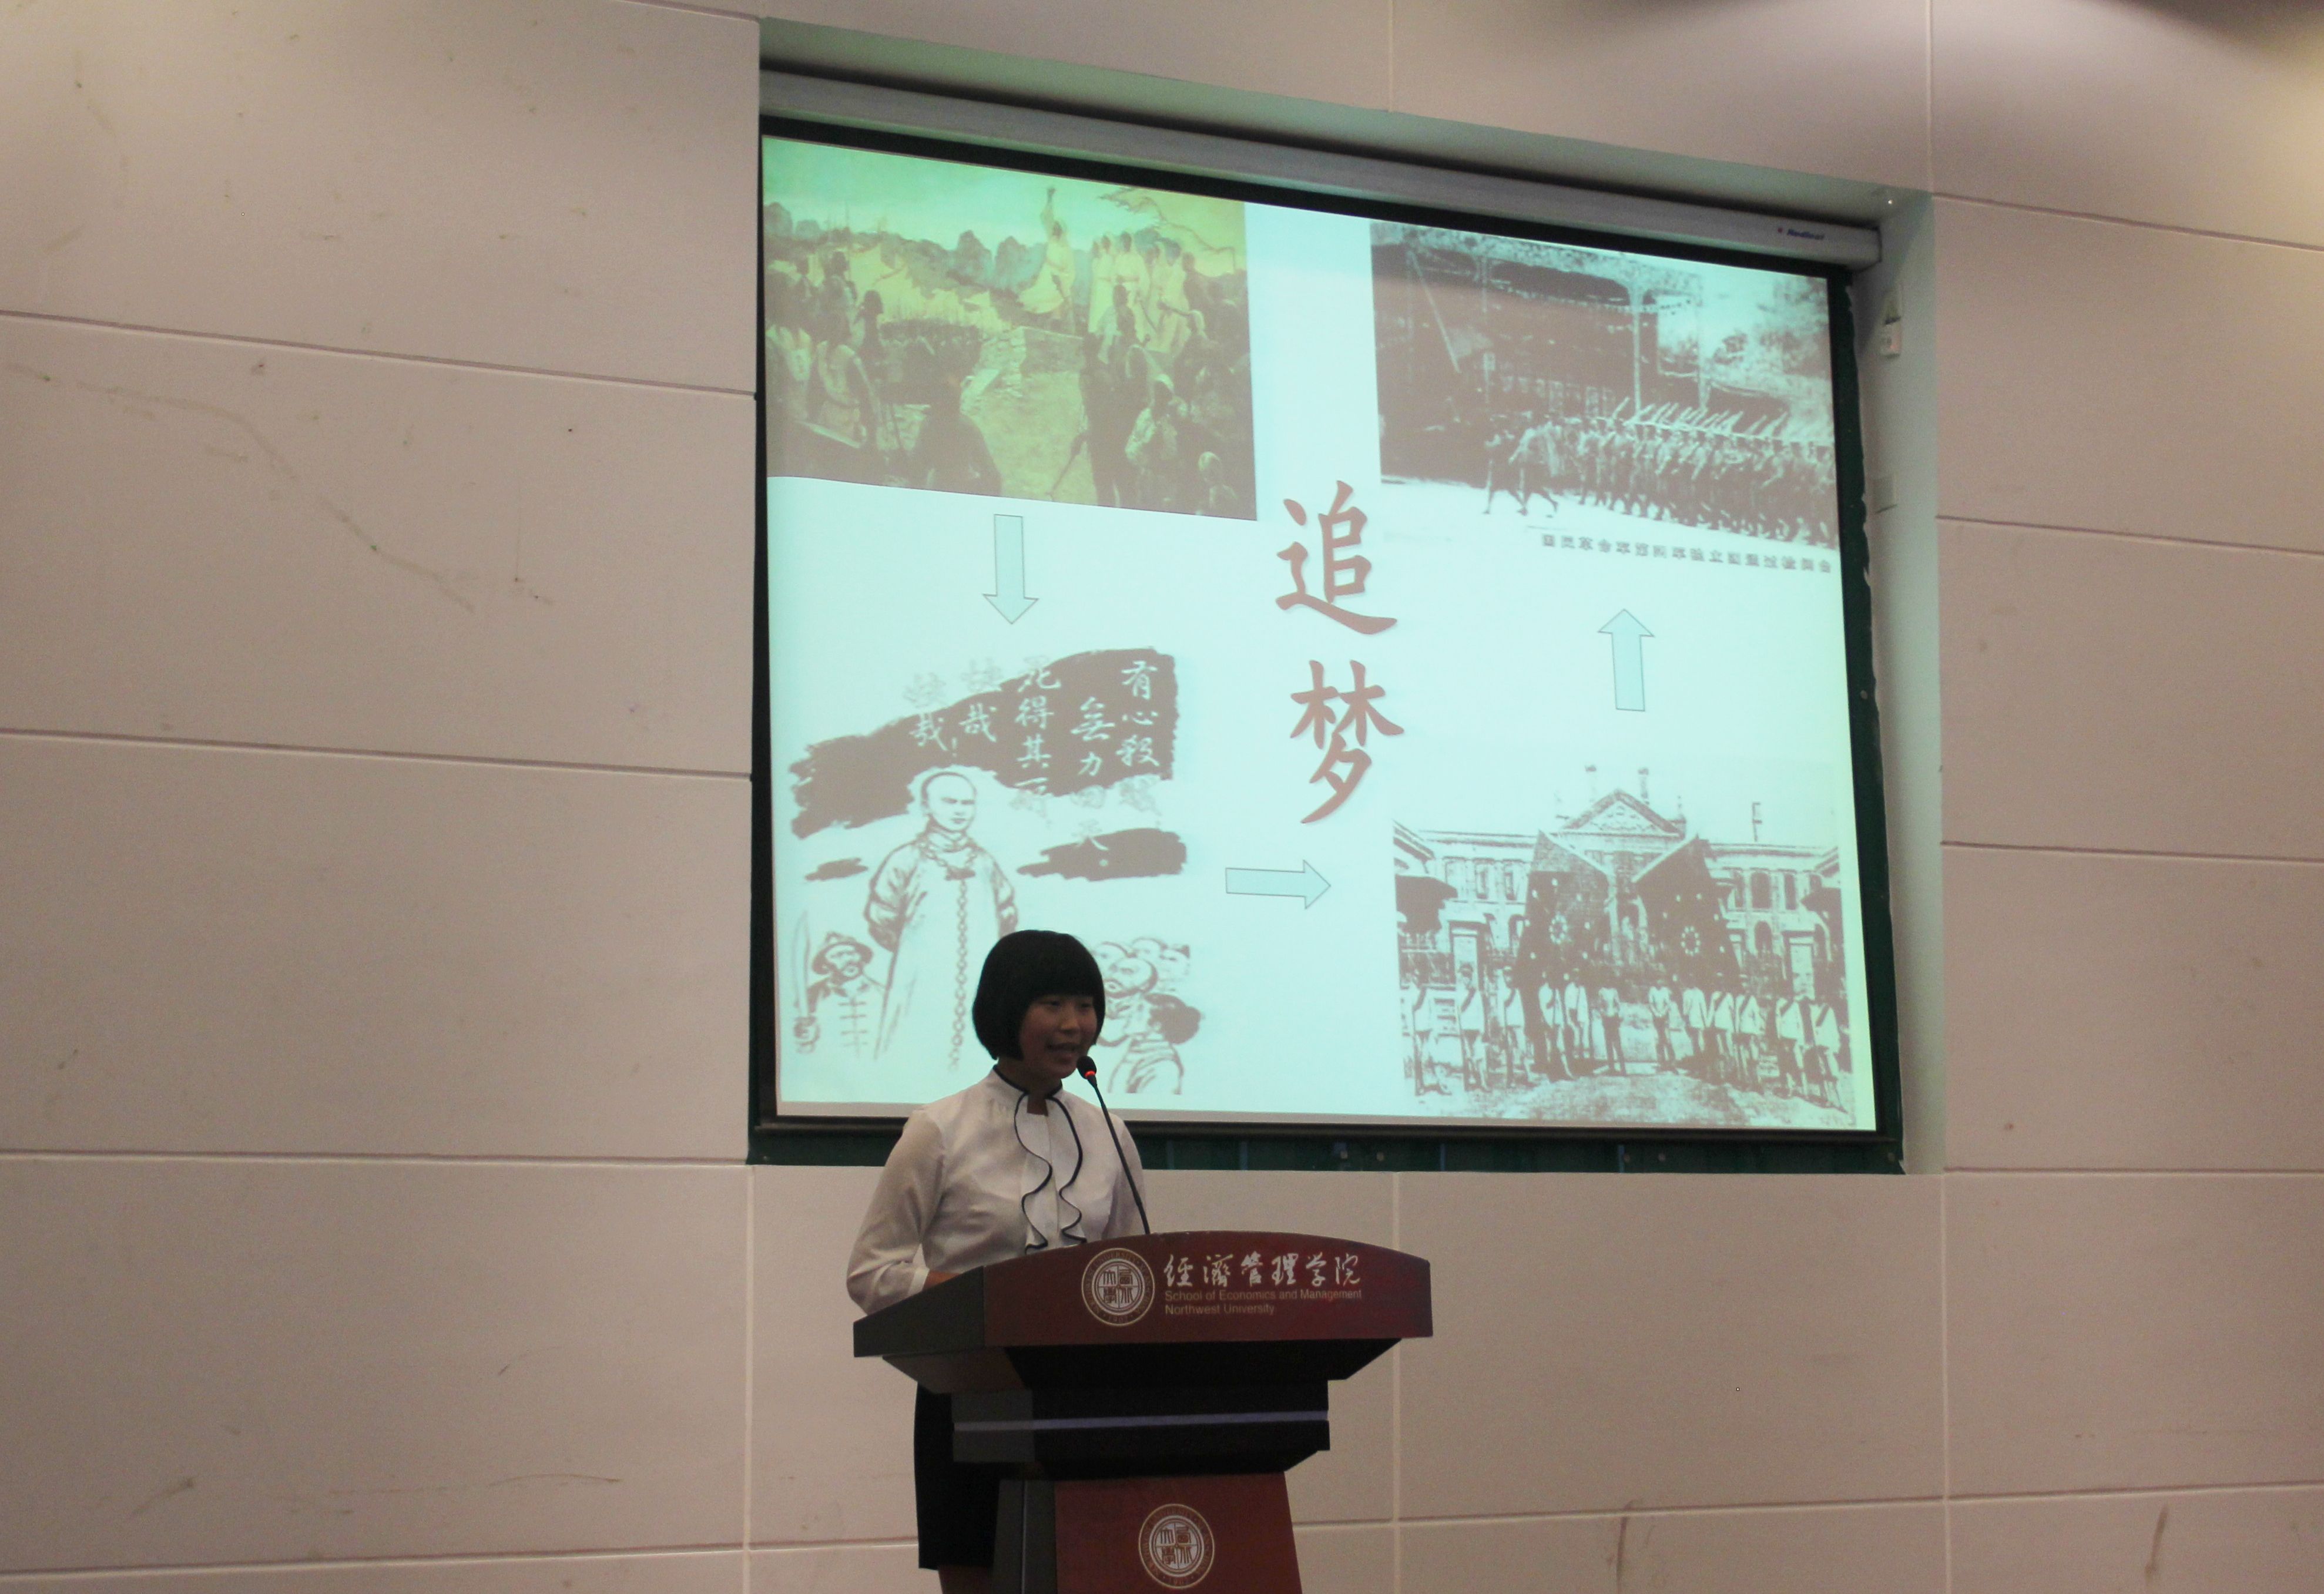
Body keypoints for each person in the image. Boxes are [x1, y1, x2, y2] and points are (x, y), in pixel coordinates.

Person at [849, 930, 1149, 1594]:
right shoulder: (940, 1128)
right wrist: (979, 1297)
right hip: (970, 1394)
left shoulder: (1108, 1131)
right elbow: (872, 1272)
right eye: (1052, 1004)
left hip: (1084, 1398)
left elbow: (1129, 1269)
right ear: (1006, 1010)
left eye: (1085, 1005)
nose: (1074, 1024)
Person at [867, 771, 1019, 1087]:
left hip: (979, 978)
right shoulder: (905, 859)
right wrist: (919, 953)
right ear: (926, 806)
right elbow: (882, 916)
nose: (960, 810)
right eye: (950, 802)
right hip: (919, 979)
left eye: (967, 803)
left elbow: (1007, 914)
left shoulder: (986, 863)